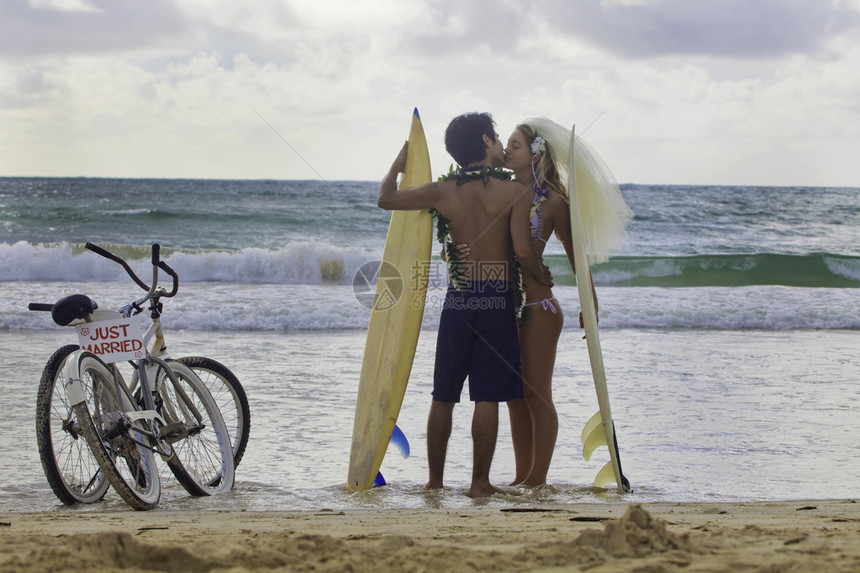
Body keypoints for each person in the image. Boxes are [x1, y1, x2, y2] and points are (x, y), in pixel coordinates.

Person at [378, 112, 552, 497]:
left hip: (458, 299)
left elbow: (385, 198)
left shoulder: (444, 191)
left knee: (444, 393)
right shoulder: (515, 193)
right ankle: (479, 484)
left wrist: (401, 161)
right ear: (488, 142)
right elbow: (523, 252)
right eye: (496, 139)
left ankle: (435, 483)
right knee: (486, 394)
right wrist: (539, 272)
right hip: (496, 299)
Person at [503, 118, 634, 486]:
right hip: (504, 308)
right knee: (514, 395)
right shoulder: (500, 191)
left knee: (536, 393)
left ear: (535, 153)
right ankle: (520, 476)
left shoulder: (555, 202)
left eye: (515, 145)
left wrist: (589, 306)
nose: (507, 149)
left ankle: (537, 479)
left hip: (539, 310)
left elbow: (579, 259)